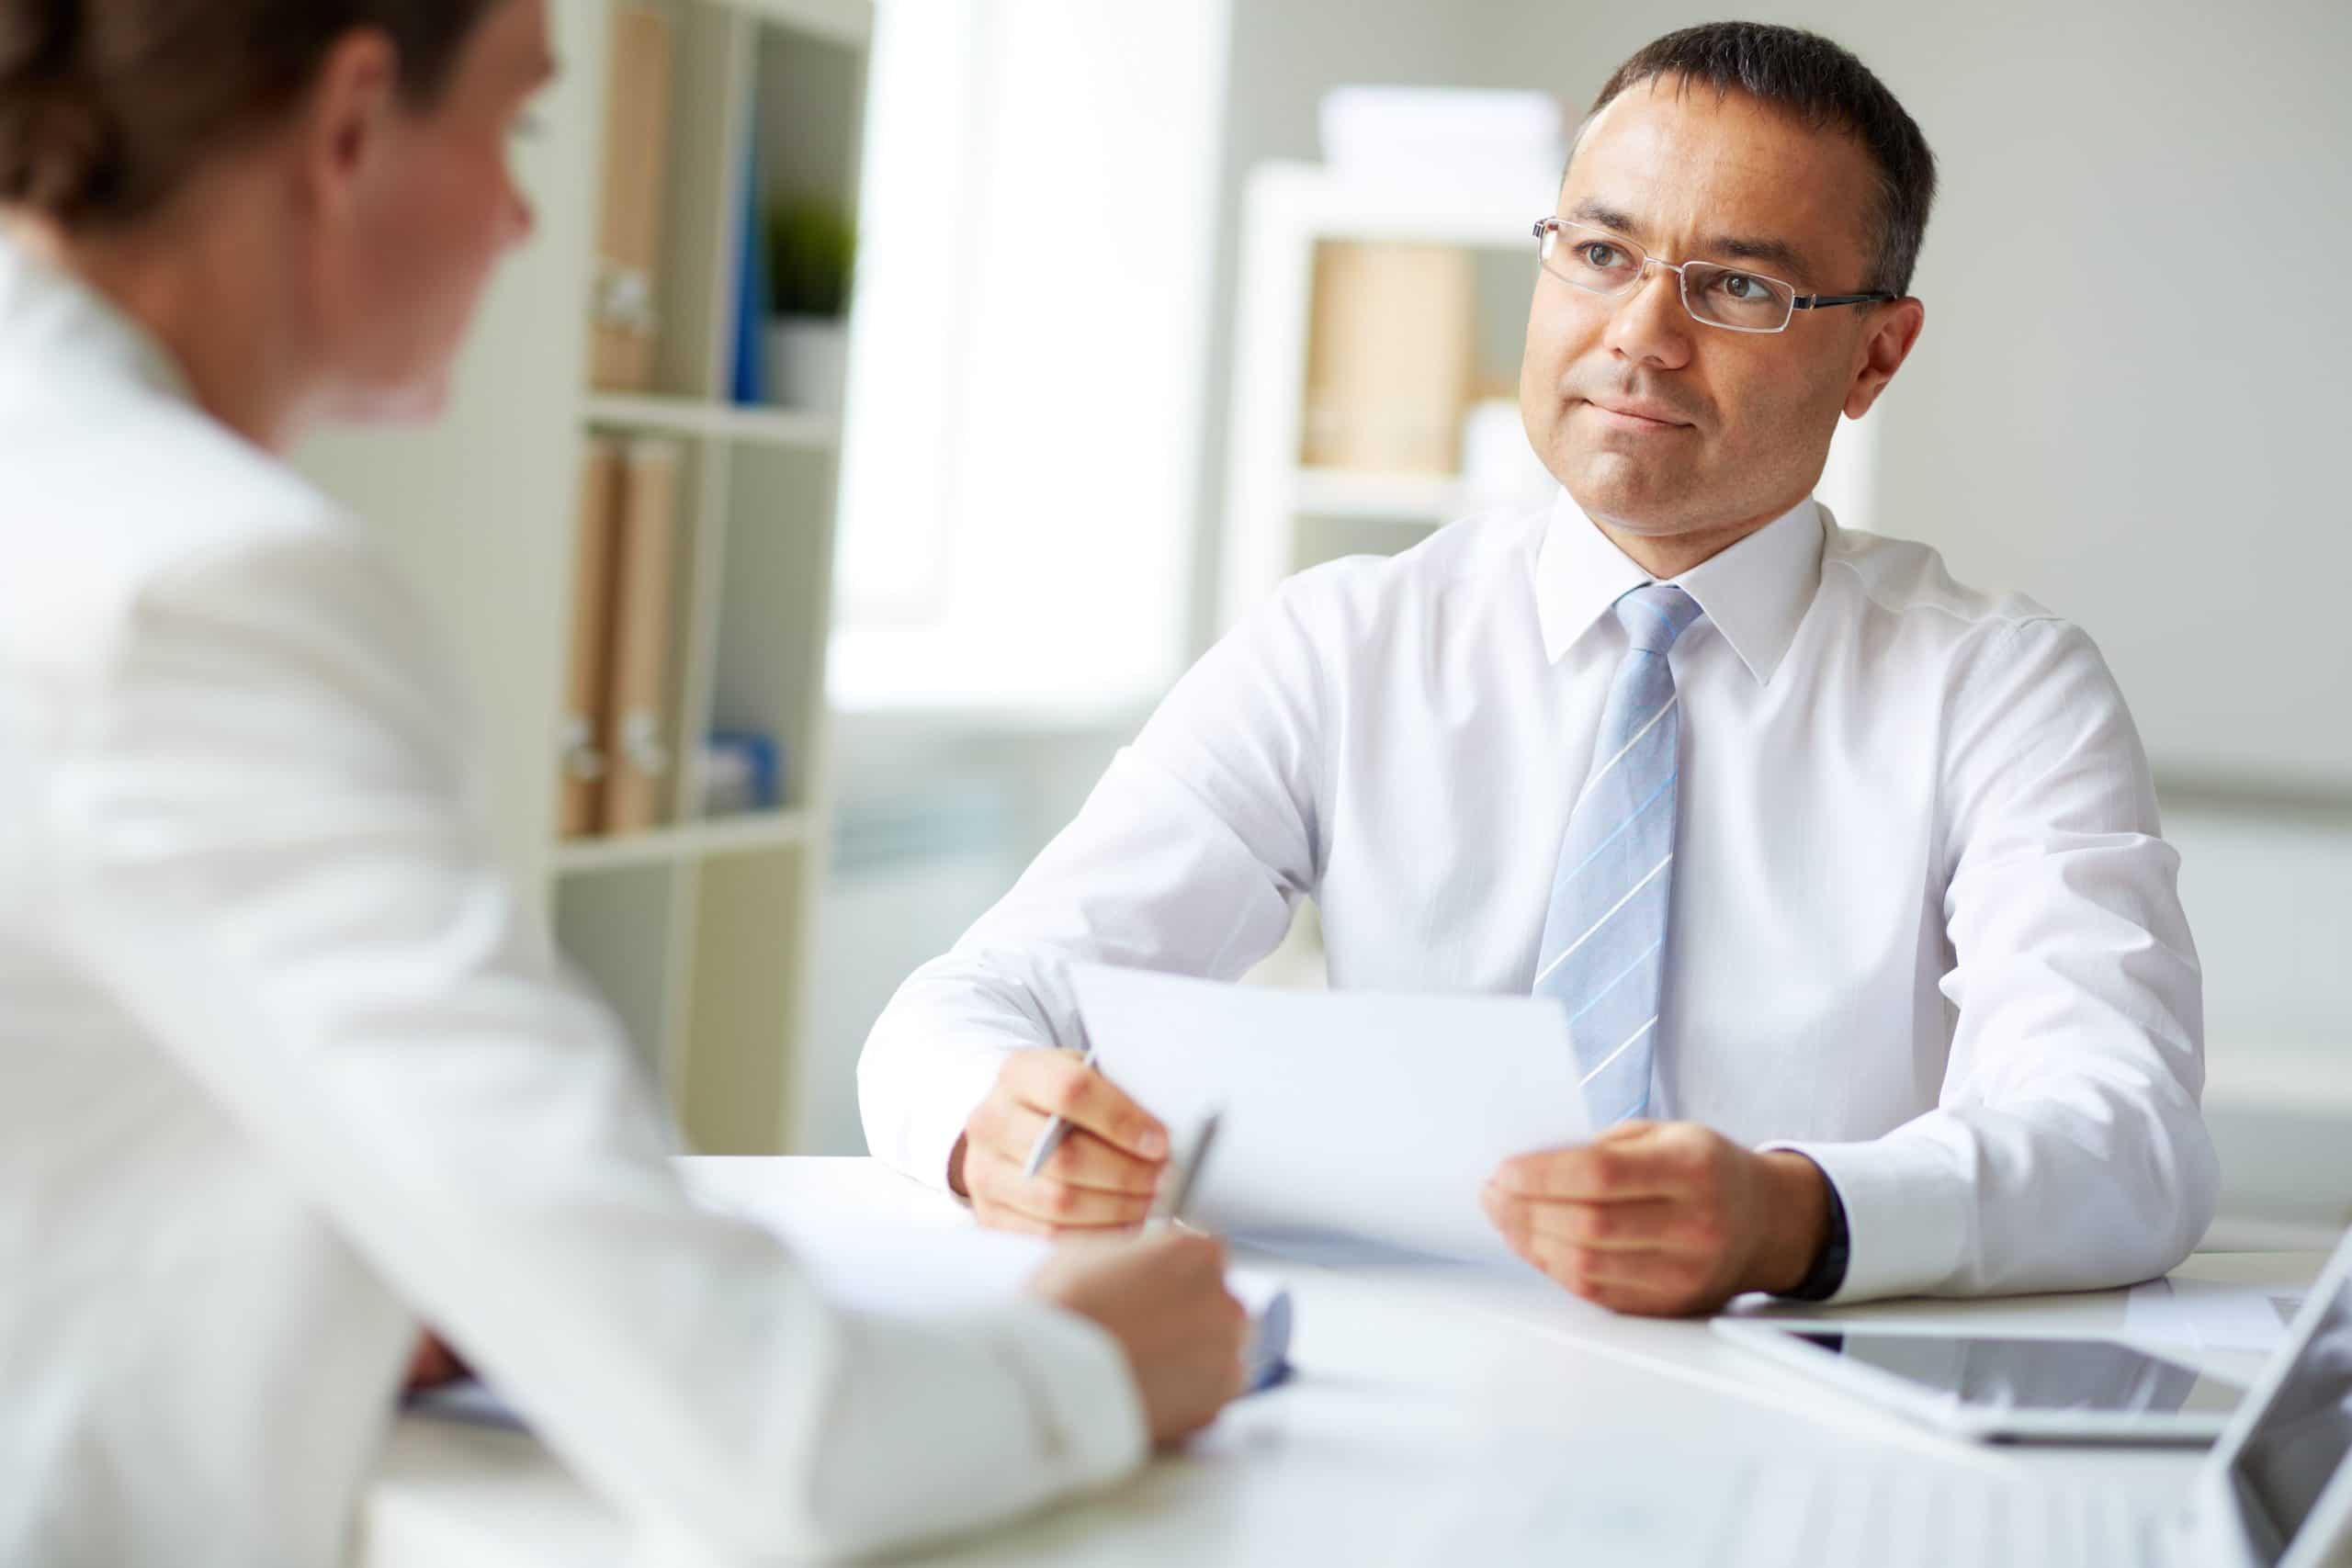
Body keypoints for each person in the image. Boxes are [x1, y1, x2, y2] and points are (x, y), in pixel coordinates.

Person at [0, 2, 1248, 1563]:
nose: (530, 217)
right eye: (517, 126)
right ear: (349, 121)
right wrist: (1095, 1366)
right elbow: (765, 1438)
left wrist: (354, 1286)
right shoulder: (203, 586)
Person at [860, 21, 2218, 1318]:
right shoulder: (1344, 645)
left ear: (1875, 354)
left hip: (1805, 1379)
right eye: (1600, 251)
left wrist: (1791, 1218)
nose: (1640, 333)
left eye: (1737, 286)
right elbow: (972, 1005)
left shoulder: (2000, 689)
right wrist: (994, 1119)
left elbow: (2123, 1134)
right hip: (1407, 1389)